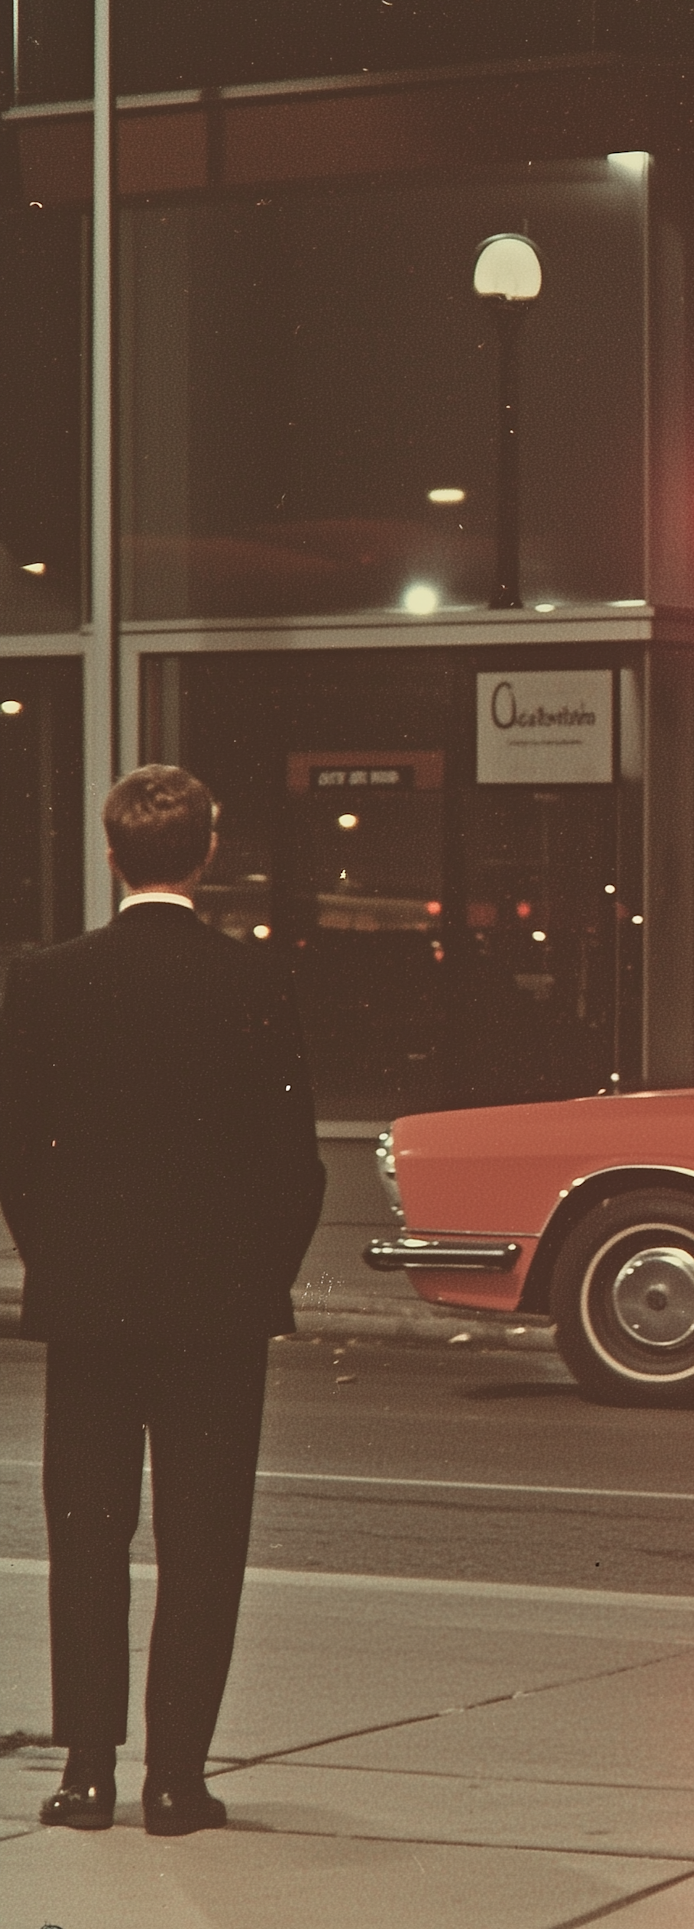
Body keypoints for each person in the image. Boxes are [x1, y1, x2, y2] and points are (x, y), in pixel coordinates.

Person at [0, 765, 325, 1836]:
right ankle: (176, 1778)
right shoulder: (257, 983)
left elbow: (16, 1154)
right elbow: (297, 1168)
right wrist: (256, 1277)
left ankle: (85, 1771)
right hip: (217, 1318)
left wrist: (59, 1259)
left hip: (91, 1312)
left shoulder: (43, 979)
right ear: (209, 850)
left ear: (110, 853)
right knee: (203, 1544)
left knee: (88, 1537)